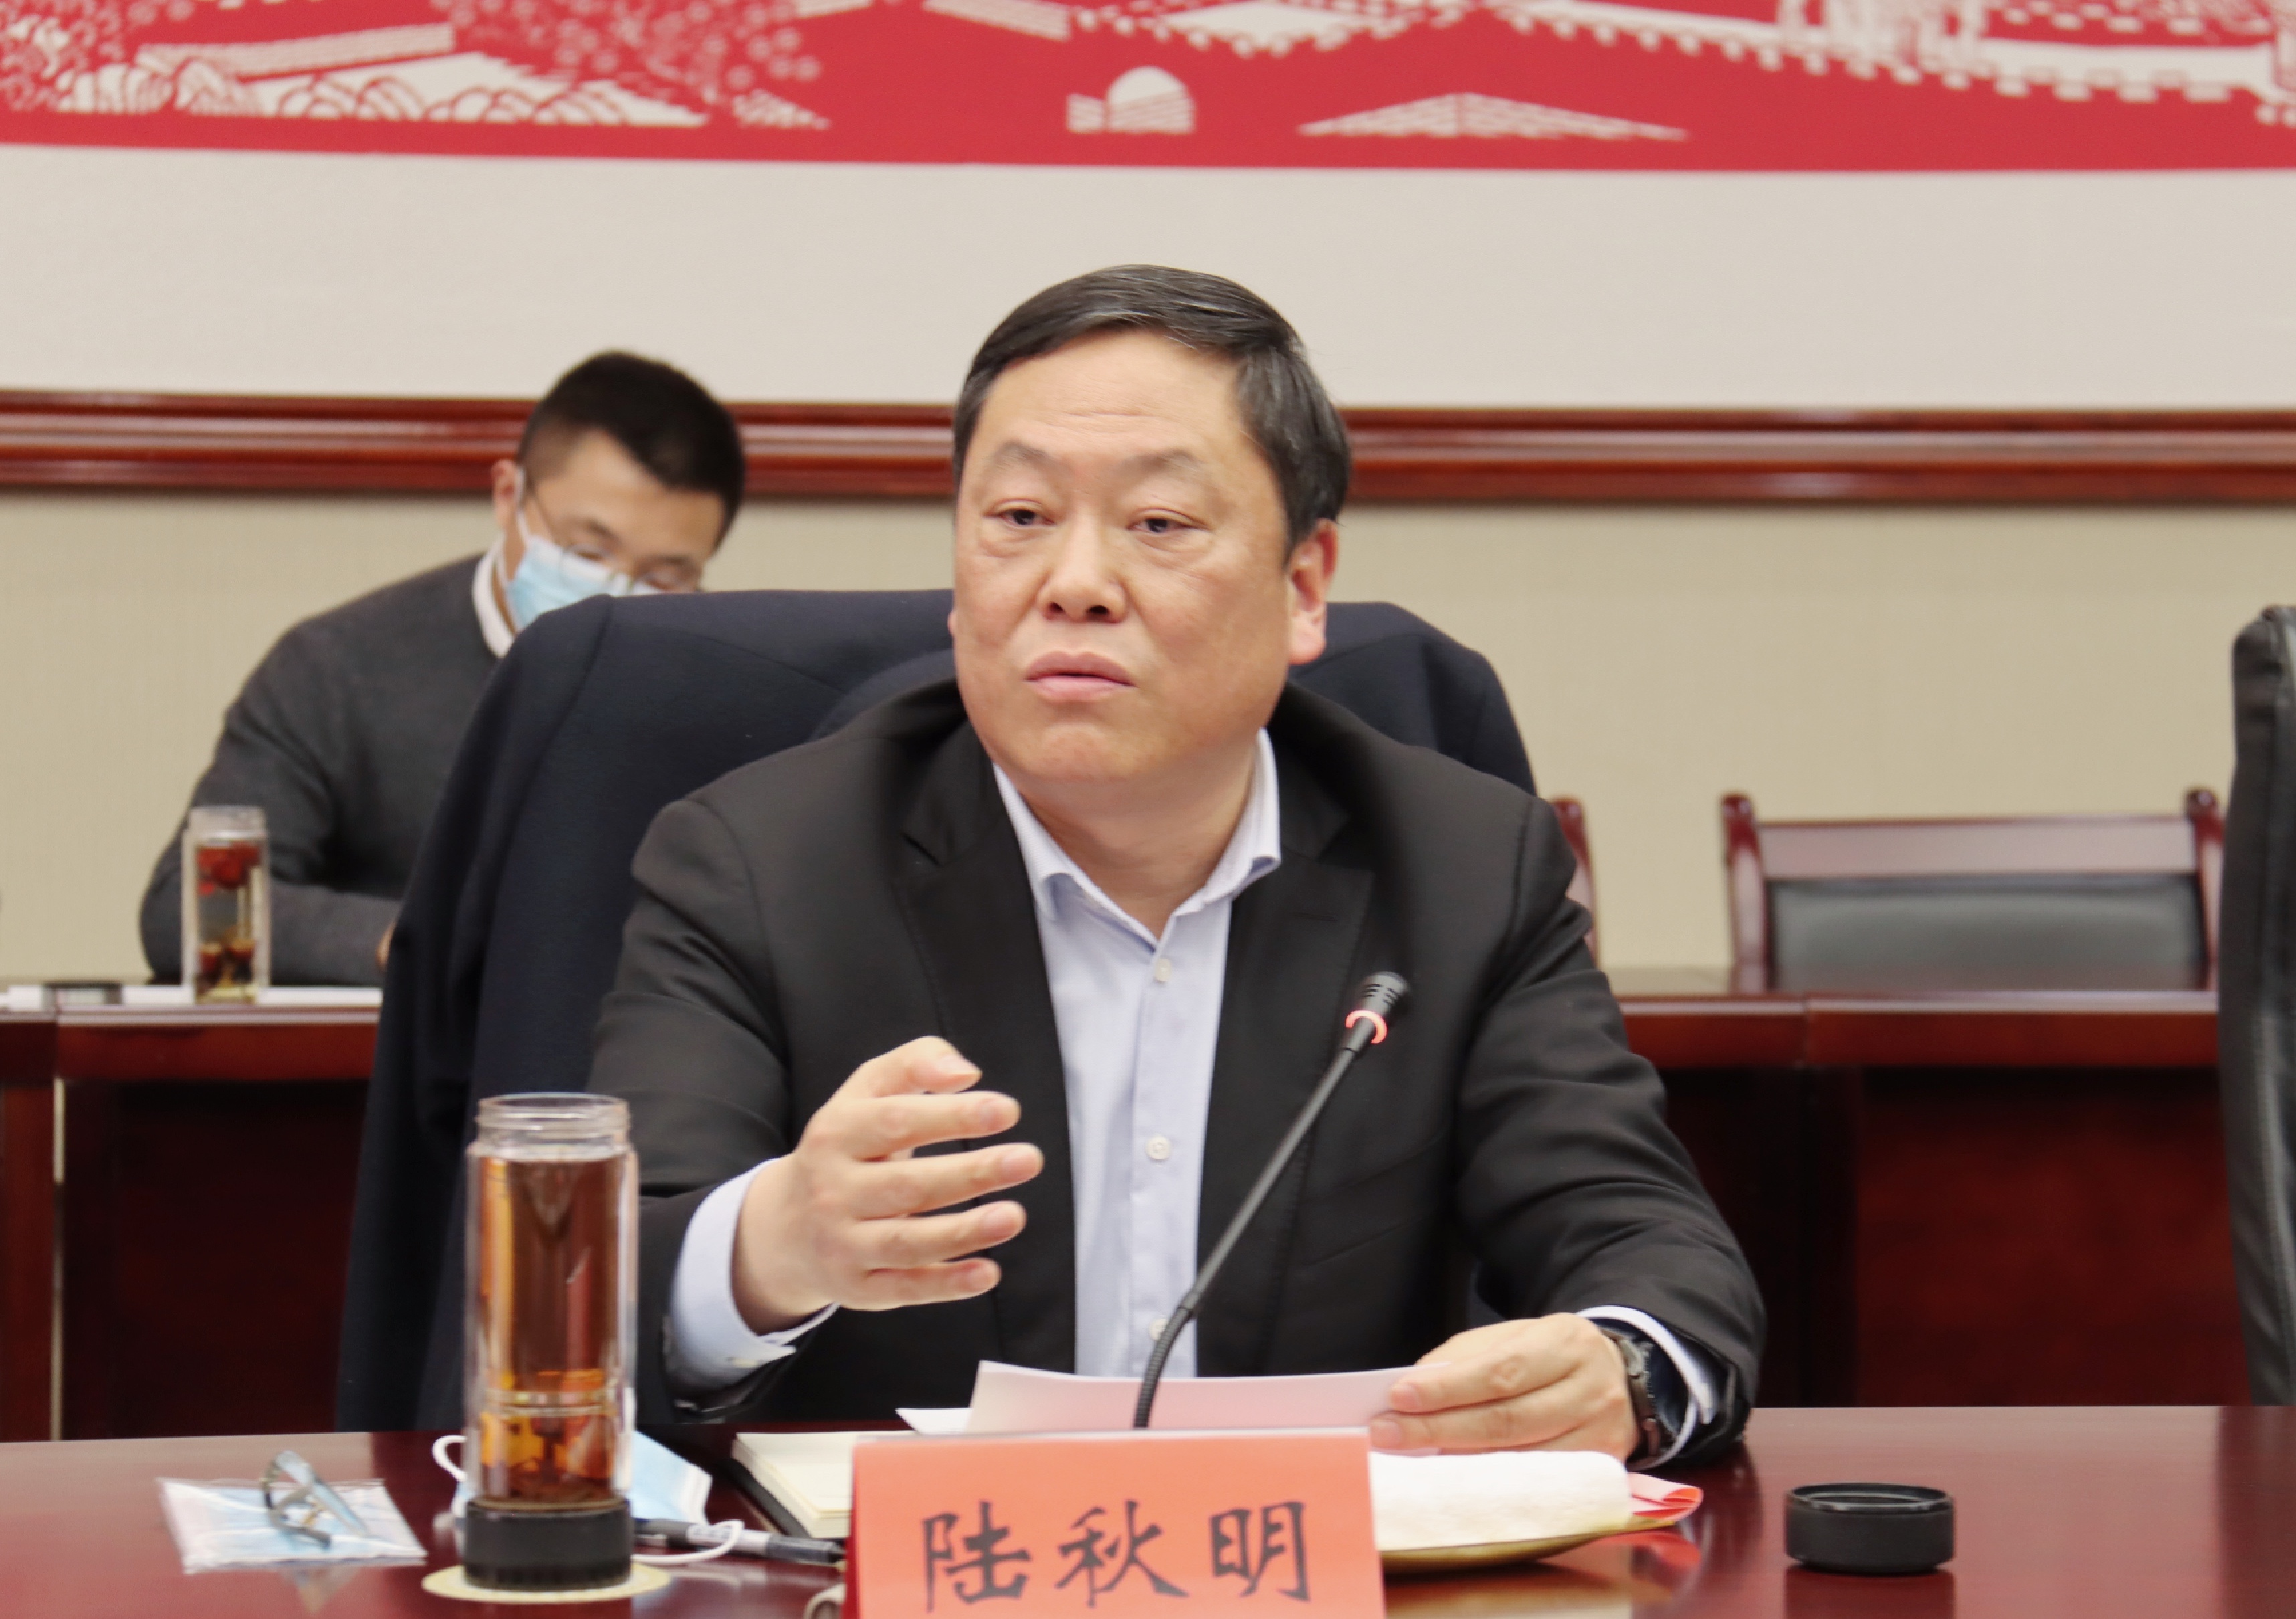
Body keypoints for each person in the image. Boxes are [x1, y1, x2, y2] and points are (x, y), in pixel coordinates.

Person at [590, 267, 1764, 1464]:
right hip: (907, 1555)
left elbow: (1647, 1247)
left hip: (1312, 1557)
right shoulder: (761, 864)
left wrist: (1617, 1369)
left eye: (1157, 525)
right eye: (1018, 518)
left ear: (1301, 589)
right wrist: (771, 1246)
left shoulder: (1462, 870)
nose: (1074, 585)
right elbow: (597, 1287)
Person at [139, 352, 745, 987]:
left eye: (664, 579)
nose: (615, 596)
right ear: (508, 496)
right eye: (587, 552)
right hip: (403, 1034)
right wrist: (422, 942)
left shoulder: (726, 685)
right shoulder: (338, 667)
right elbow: (190, 908)